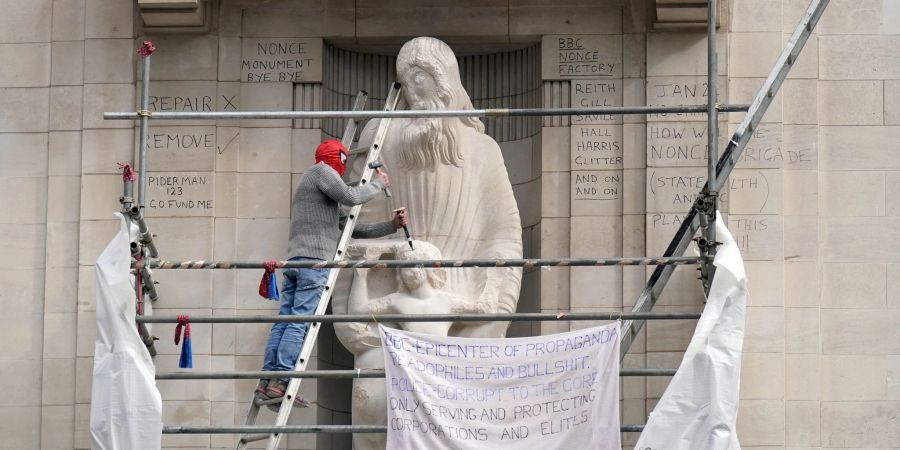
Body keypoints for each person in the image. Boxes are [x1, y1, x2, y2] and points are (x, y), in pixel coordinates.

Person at [355, 36, 523, 340]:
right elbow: (359, 224)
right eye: (405, 82)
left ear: (442, 78)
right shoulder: (381, 136)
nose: (411, 91)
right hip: (400, 296)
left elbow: (504, 233)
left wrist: (500, 303)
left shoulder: (483, 149)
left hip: (464, 296)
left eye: (419, 78)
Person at [256, 139, 408, 408]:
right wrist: (379, 184)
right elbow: (351, 197)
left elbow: (349, 229)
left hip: (298, 261)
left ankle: (268, 384)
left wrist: (390, 225)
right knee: (300, 322)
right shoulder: (322, 172)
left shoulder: (315, 182)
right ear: (337, 158)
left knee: (286, 320)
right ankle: (280, 382)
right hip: (314, 263)